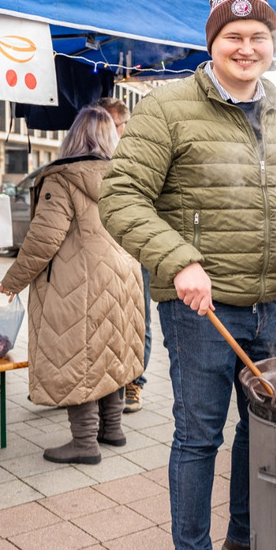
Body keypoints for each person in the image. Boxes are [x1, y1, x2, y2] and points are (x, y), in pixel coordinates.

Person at [100, 0, 276, 550]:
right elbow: (120, 197)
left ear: (272, 47)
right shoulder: (167, 108)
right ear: (212, 44)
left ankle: (244, 543)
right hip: (199, 307)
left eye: (258, 38)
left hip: (271, 302)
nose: (246, 48)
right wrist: (177, 261)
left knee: (265, 430)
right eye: (234, 37)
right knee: (200, 434)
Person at [0, 105, 143, 464]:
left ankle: (84, 443)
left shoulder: (61, 179)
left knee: (76, 356)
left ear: (73, 136)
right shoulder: (125, 177)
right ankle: (112, 428)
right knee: (110, 352)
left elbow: (43, 240)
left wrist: (12, 281)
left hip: (78, 281)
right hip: (123, 276)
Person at [98, 96, 151, 414]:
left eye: (109, 124)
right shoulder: (91, 157)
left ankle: (134, 382)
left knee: (138, 317)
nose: (103, 131)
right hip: (102, 254)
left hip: (134, 251)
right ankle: (108, 381)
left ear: (124, 126)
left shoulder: (140, 155)